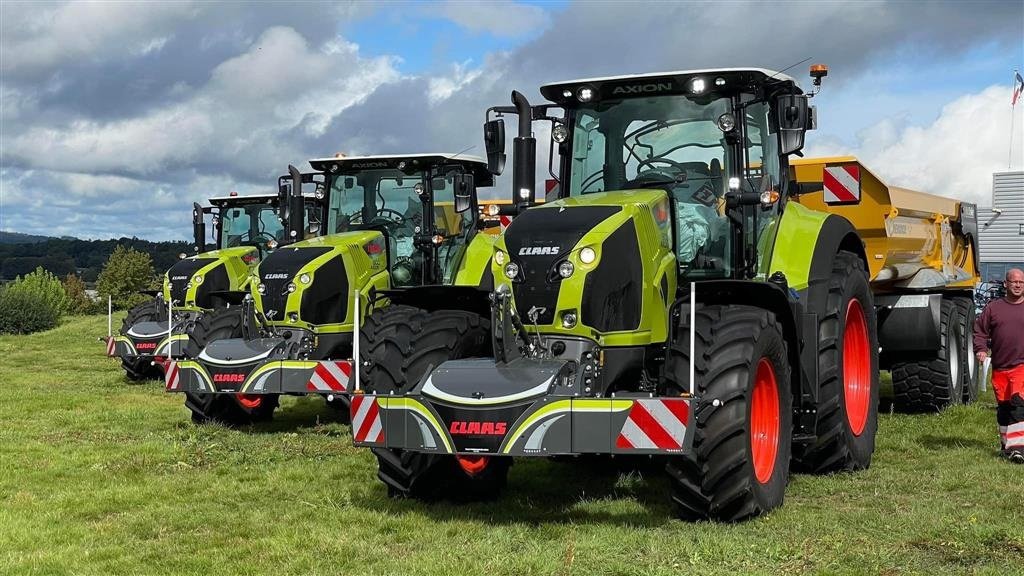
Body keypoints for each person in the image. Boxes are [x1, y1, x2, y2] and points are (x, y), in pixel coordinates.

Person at [974, 267, 1024, 463]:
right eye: (1014, 282)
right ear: (1006, 284)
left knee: (1018, 404)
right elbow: (980, 331)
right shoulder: (993, 308)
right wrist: (980, 349)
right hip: (1000, 367)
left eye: (1021, 282)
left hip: (1021, 366)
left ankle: (1018, 448)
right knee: (1004, 408)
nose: (1018, 285)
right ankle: (1005, 445)